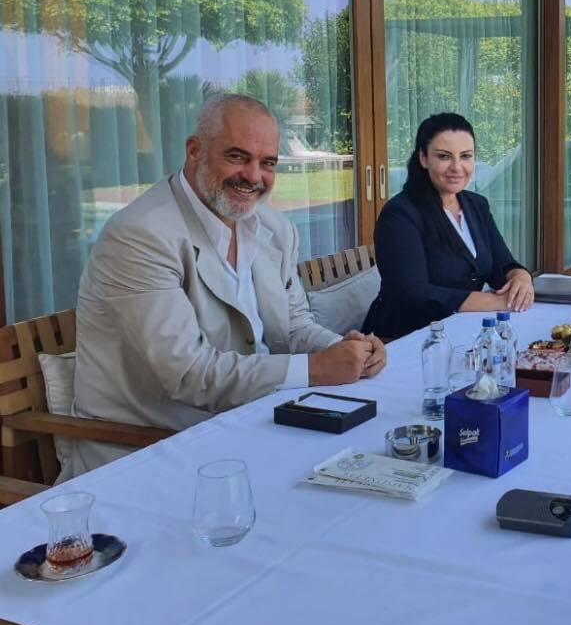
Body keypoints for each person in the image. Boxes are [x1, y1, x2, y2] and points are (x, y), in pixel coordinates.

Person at [71, 95, 386, 477]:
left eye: (267, 163)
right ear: (194, 152)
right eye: (237, 157)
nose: (253, 177)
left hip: (254, 424)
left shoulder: (274, 228)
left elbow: (294, 326)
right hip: (151, 453)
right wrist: (317, 369)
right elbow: (189, 374)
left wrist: (347, 350)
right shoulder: (141, 236)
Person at [362, 113, 533, 343]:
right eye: (444, 156)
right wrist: (496, 302)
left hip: (461, 329)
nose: (457, 167)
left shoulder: (476, 205)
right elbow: (412, 293)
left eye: (466, 156)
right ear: (423, 158)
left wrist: (521, 277)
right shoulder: (400, 214)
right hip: (403, 338)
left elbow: (501, 265)